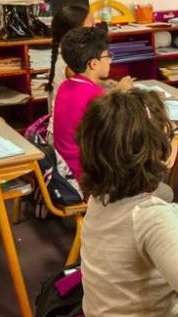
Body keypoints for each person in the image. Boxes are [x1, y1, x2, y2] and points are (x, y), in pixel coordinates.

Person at [79, 89, 178, 317]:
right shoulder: (151, 215)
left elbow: (130, 225)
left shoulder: (100, 197)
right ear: (159, 151)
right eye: (172, 132)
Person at [52, 26, 133, 193]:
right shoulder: (93, 94)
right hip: (87, 176)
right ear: (93, 64)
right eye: (107, 55)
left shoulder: (65, 86)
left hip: (65, 169)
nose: (110, 59)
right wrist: (122, 90)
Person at [45, 3, 94, 113]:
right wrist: (118, 89)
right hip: (69, 126)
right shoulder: (70, 63)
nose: (95, 31)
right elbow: (91, 93)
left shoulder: (66, 53)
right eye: (91, 26)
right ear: (74, 32)